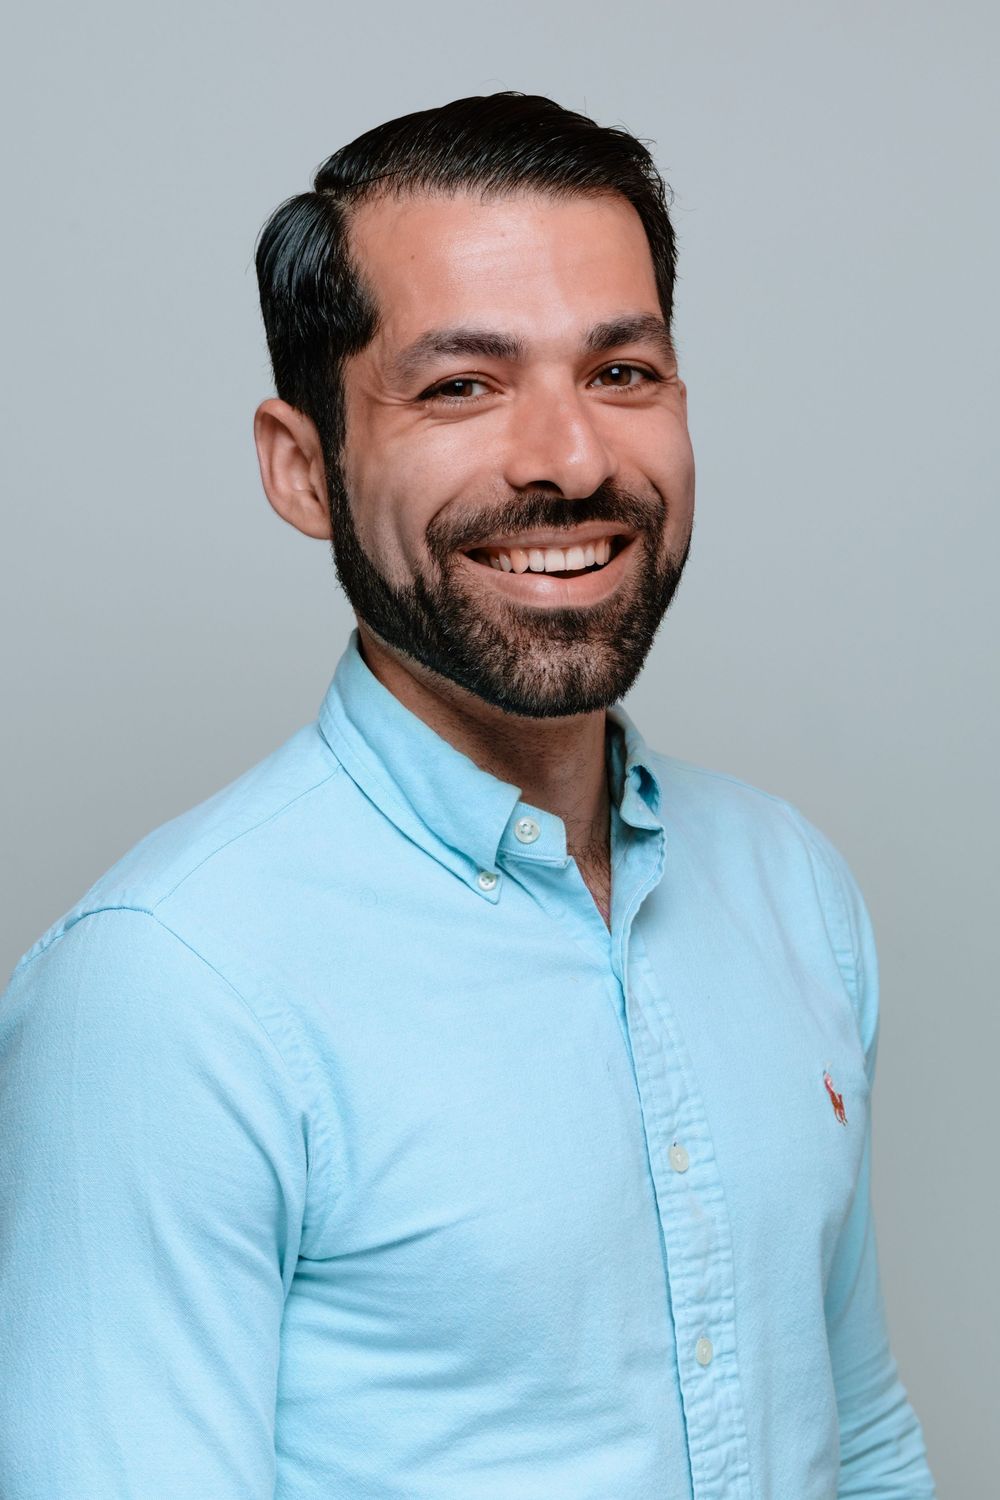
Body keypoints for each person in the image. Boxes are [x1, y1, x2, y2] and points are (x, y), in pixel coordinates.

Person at [0, 93, 935, 1499]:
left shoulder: (792, 887)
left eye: (622, 373)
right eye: (461, 386)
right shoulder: (165, 990)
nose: (568, 458)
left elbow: (858, 1444)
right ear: (303, 468)